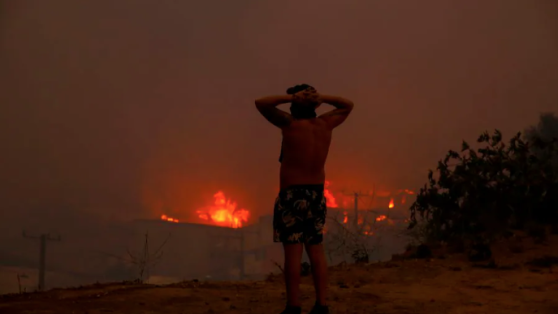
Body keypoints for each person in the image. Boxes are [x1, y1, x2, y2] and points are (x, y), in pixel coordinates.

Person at [255, 84, 354, 314]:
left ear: (294, 105)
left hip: (292, 195)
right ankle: (322, 305)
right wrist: (321, 98)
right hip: (316, 195)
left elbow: (261, 103)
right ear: (316, 106)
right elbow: (347, 105)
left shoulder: (289, 125)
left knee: (293, 252)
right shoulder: (325, 125)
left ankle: (294, 306)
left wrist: (292, 97)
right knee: (316, 250)